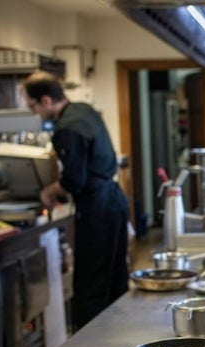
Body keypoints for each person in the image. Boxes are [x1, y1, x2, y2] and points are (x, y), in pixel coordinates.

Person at [23, 71, 129, 332]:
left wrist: (49, 191)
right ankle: (119, 342)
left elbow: (74, 181)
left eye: (33, 106)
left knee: (91, 285)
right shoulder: (84, 110)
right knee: (115, 279)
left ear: (46, 100)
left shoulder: (66, 128)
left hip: (97, 209)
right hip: (115, 201)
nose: (34, 112)